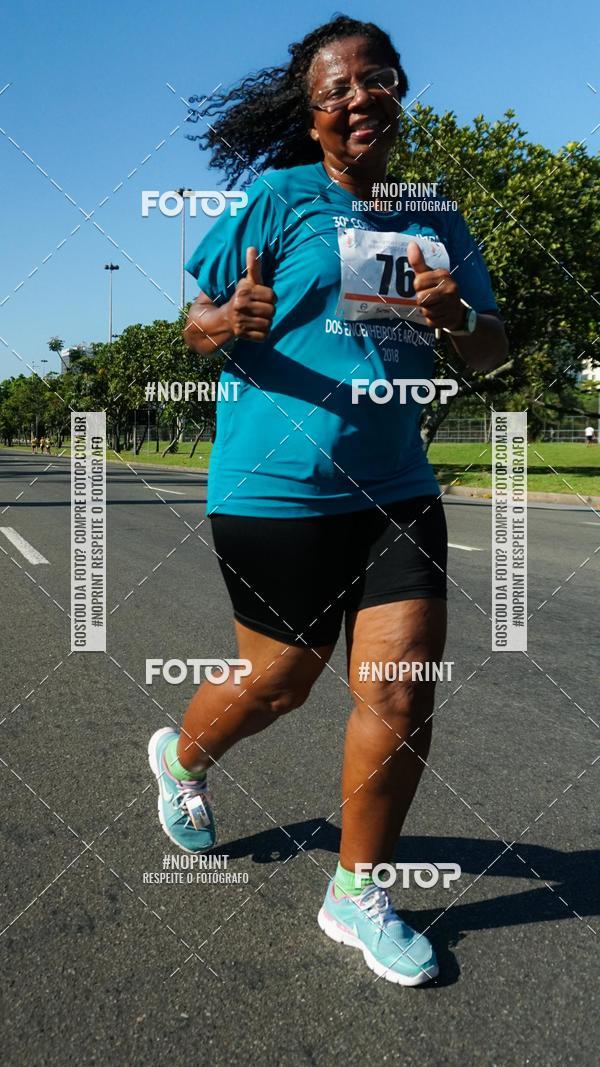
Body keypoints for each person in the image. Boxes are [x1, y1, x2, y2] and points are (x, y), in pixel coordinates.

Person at [148, 14, 508, 985]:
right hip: (275, 491)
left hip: (394, 490)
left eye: (374, 79)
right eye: (336, 89)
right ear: (312, 116)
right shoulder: (278, 198)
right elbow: (191, 324)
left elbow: (492, 348)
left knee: (397, 688)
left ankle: (357, 889)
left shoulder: (432, 213)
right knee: (280, 681)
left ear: (398, 89)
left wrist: (458, 314)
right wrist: (229, 319)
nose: (358, 99)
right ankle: (183, 759)